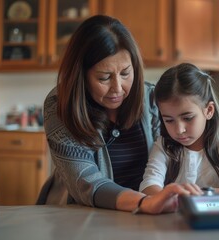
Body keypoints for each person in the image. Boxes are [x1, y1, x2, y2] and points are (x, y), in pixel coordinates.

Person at [36, 15, 202, 214]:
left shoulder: (151, 98)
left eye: (125, 73)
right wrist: (143, 202)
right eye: (104, 77)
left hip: (145, 216)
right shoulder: (60, 105)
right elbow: (85, 180)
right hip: (78, 216)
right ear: (81, 76)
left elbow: (171, 159)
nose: (117, 88)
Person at [139, 63, 219, 199]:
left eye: (188, 118)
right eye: (169, 120)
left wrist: (199, 195)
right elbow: (147, 188)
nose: (179, 130)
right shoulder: (163, 147)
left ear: (209, 110)